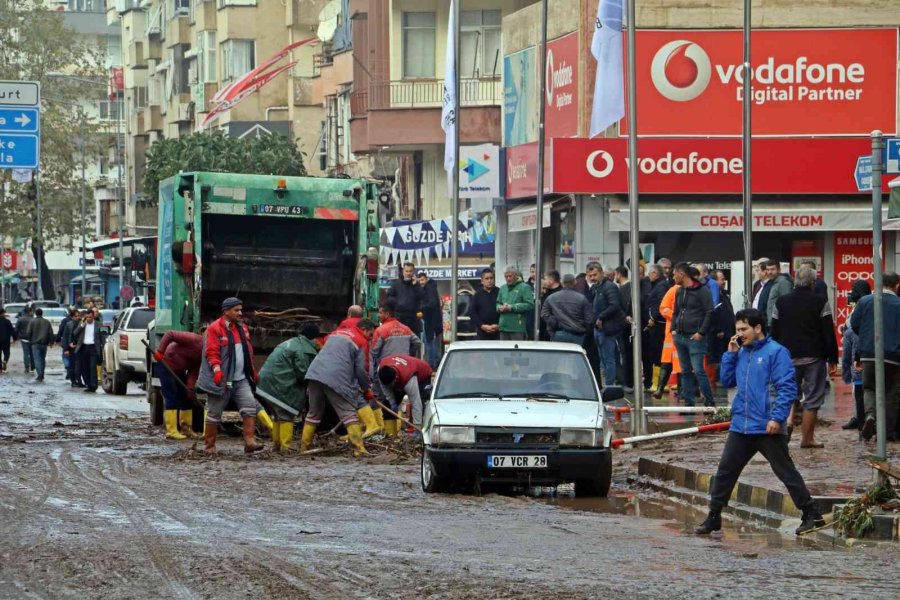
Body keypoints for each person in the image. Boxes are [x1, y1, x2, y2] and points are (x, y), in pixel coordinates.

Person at [694, 308, 825, 536]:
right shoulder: (741, 352)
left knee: (786, 472)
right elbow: (727, 381)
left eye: (744, 329)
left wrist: (777, 418)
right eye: (737, 330)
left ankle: (811, 514)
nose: (740, 334)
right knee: (725, 472)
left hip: (767, 427)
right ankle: (714, 515)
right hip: (741, 425)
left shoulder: (777, 352)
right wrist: (730, 354)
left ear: (758, 328)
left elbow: (787, 388)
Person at [770, 266, 839, 448]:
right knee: (812, 399)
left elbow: (774, 330)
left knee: (787, 393)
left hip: (787, 357)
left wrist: (774, 356)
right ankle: (807, 439)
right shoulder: (820, 301)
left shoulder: (781, 302)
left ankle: (787, 424)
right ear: (812, 282)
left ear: (795, 281)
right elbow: (828, 331)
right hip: (813, 357)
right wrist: (833, 358)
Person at [196, 297, 265, 454]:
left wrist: (252, 370)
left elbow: (247, 351)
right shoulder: (214, 329)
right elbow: (211, 352)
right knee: (214, 413)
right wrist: (217, 370)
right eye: (236, 310)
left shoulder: (242, 328)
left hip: (240, 379)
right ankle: (210, 447)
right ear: (226, 311)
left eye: (241, 310)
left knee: (249, 407)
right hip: (223, 380)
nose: (240, 313)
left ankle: (250, 442)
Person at [301, 319, 377, 456]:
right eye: (370, 334)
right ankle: (359, 449)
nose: (370, 338)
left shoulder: (335, 333)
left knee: (314, 412)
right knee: (348, 412)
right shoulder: (361, 341)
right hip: (335, 377)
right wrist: (366, 389)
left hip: (314, 373)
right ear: (364, 329)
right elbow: (361, 370)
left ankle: (304, 447)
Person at [850, 272, 900, 443]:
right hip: (894, 356)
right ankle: (887, 431)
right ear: (897, 286)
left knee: (869, 388)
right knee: (892, 392)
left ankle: (870, 415)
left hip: (869, 353)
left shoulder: (865, 301)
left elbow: (854, 325)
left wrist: (866, 338)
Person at [257, 323, 320, 452]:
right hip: (279, 384)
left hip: (265, 383)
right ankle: (285, 448)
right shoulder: (303, 349)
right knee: (286, 414)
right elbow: (303, 372)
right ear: (313, 337)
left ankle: (277, 446)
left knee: (277, 416)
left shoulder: (292, 342)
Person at [370, 300, 422, 437]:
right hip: (403, 369)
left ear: (387, 314)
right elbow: (417, 342)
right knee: (398, 399)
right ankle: (398, 431)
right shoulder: (405, 328)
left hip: (385, 371)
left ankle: (386, 432)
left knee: (383, 400)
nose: (378, 315)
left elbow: (373, 352)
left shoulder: (381, 330)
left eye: (380, 313)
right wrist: (408, 355)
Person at [671, 263, 715, 407]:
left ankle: (709, 401)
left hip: (695, 337)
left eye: (674, 274)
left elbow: (710, 312)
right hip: (680, 336)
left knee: (698, 370)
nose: (673, 277)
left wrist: (701, 332)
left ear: (682, 274)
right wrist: (673, 328)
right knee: (685, 371)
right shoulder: (679, 291)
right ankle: (689, 403)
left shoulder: (702, 291)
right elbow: (676, 311)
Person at [153, 330, 204, 441]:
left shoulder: (204, 356)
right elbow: (170, 334)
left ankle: (186, 428)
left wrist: (190, 387)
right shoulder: (194, 339)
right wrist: (160, 351)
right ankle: (171, 431)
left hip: (179, 370)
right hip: (166, 364)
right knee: (171, 396)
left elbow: (193, 372)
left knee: (186, 397)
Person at [841, 280, 871, 431]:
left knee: (859, 392)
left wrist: (846, 371)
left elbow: (849, 343)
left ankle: (861, 421)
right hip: (871, 357)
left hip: (859, 360)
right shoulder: (872, 305)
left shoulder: (857, 312)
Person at [377, 354, 433, 430]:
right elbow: (385, 388)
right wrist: (392, 402)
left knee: (422, 405)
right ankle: (391, 433)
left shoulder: (409, 379)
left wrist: (417, 427)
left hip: (422, 375)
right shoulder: (381, 370)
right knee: (387, 405)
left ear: (395, 378)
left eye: (391, 385)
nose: (390, 387)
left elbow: (416, 404)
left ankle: (420, 430)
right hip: (403, 372)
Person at [592, 264, 625, 387]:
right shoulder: (598, 287)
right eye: (591, 275)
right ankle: (609, 383)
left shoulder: (609, 287)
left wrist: (601, 317)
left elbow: (614, 305)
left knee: (609, 358)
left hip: (607, 328)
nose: (593, 278)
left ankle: (610, 385)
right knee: (604, 359)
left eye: (595, 275)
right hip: (599, 328)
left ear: (601, 273)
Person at [541, 273, 593, 344]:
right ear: (575, 282)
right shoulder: (582, 298)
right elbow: (589, 319)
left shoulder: (551, 298)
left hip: (558, 332)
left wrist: (555, 324)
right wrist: (586, 332)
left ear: (562, 283)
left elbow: (544, 314)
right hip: (578, 334)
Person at [706, 270, 736, 394]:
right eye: (721, 279)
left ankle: (723, 379)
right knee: (714, 358)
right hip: (717, 334)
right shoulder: (711, 294)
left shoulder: (723, 294)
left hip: (727, 333)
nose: (724, 281)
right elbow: (712, 314)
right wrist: (717, 329)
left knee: (725, 356)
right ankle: (713, 382)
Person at [653, 281, 682, 399]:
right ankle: (660, 388)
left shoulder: (688, 290)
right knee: (667, 363)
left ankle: (681, 390)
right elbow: (663, 308)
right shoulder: (673, 290)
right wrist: (677, 317)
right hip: (672, 333)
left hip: (681, 332)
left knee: (681, 363)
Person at [496, 266, 535, 341]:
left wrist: (512, 307)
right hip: (503, 326)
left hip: (517, 327)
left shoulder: (525, 287)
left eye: (510, 276)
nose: (508, 278)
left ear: (516, 276)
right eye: (506, 277)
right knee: (503, 348)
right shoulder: (502, 288)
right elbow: (498, 303)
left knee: (517, 348)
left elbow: (530, 305)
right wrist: (499, 308)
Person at [416, 270, 443, 368]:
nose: (421, 282)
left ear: (426, 279)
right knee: (429, 341)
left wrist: (420, 308)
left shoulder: (429, 288)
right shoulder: (430, 288)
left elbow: (431, 304)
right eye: (419, 281)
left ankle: (432, 363)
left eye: (422, 280)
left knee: (429, 341)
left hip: (430, 319)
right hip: (432, 319)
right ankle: (435, 361)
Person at [614, 266, 635, 391]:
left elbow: (618, 307)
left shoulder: (622, 289)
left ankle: (626, 381)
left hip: (623, 327)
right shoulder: (632, 287)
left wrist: (624, 317)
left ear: (618, 274)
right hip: (630, 325)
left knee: (625, 355)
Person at [386, 262, 423, 332]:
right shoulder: (396, 284)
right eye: (406, 271)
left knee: (415, 338)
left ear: (413, 272)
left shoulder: (417, 284)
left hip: (414, 320)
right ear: (403, 271)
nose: (408, 273)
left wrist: (415, 285)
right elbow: (388, 298)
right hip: (400, 318)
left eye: (410, 271)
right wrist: (397, 303)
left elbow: (422, 297)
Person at [73, 310, 102, 392]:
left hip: (93, 348)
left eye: (90, 317)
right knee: (85, 367)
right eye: (87, 317)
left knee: (92, 367)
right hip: (84, 347)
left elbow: (103, 336)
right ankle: (88, 385)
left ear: (93, 317)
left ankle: (94, 385)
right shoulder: (82, 324)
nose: (88, 319)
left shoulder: (99, 324)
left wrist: (103, 348)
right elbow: (75, 333)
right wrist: (82, 325)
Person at [470, 269, 500, 340]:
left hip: (498, 332)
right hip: (482, 332)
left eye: (491, 278)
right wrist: (482, 326)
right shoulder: (477, 295)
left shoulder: (500, 292)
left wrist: (499, 325)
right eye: (487, 278)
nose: (489, 280)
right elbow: (472, 313)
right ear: (482, 281)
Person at [761, 259, 792, 326]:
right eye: (768, 269)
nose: (769, 272)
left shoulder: (783, 282)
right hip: (772, 322)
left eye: (772, 269)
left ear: (779, 270)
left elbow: (787, 303)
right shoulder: (773, 282)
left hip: (779, 323)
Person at [26, 308, 54, 383]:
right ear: (42, 313)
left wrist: (30, 340)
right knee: (42, 359)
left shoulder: (32, 321)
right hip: (44, 344)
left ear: (35, 313)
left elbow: (28, 332)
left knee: (37, 359)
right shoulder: (47, 322)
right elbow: (50, 333)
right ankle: (42, 374)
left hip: (35, 343)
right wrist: (51, 342)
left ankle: (40, 375)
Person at [539, 270, 563, 341]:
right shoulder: (546, 292)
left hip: (554, 329)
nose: (544, 281)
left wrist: (552, 323)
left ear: (551, 281)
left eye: (545, 279)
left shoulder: (560, 293)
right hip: (544, 328)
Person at [62, 311, 82, 384]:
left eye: (78, 316)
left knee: (79, 365)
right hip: (71, 348)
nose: (77, 317)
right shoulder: (69, 324)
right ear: (72, 317)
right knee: (72, 365)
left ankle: (78, 380)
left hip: (80, 347)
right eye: (76, 316)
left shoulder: (81, 324)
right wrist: (66, 348)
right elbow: (65, 337)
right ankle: (73, 381)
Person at [15, 307, 34, 374]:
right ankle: (32, 367)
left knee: (26, 353)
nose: (33, 313)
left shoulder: (20, 319)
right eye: (32, 311)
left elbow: (16, 329)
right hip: (32, 339)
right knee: (32, 353)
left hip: (23, 339)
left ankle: (26, 368)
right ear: (29, 312)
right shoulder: (33, 319)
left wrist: (16, 338)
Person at [0, 308, 16, 373]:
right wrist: (15, 338)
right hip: (6, 339)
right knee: (7, 352)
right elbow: (12, 330)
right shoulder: (7, 321)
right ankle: (5, 360)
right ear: (3, 313)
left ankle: (0, 369)